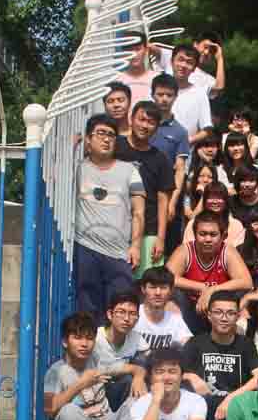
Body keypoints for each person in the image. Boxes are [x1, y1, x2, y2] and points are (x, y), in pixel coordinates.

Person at [73, 114, 145, 319]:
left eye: (111, 135)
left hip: (119, 252)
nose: (106, 139)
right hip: (85, 247)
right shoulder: (77, 169)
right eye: (101, 133)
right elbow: (52, 175)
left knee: (121, 309)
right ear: (88, 139)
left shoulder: (129, 170)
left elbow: (139, 211)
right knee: (87, 310)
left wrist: (136, 246)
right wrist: (71, 146)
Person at [182, 289, 258, 420]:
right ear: (209, 315)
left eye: (230, 313)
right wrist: (192, 377)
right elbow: (176, 373)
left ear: (237, 316)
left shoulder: (245, 344)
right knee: (189, 399)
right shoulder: (196, 343)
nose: (224, 318)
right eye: (218, 312)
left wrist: (231, 398)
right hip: (204, 406)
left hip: (235, 406)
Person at [167, 210, 253, 333]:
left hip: (220, 309)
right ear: (195, 234)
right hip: (190, 308)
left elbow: (246, 282)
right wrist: (202, 287)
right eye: (202, 234)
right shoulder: (185, 250)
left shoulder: (227, 251)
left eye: (213, 234)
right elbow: (166, 278)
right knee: (171, 296)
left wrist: (212, 290)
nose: (207, 239)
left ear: (223, 236)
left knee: (242, 302)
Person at [116, 101, 174, 278]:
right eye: (141, 119)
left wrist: (161, 238)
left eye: (151, 122)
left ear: (156, 128)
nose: (145, 125)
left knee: (146, 283)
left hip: (148, 230)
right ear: (131, 119)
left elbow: (163, 201)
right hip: (115, 226)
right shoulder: (115, 146)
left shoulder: (161, 159)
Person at [150, 73, 190, 252]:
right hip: (141, 191)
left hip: (167, 193)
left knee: (167, 245)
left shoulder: (180, 132)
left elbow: (180, 169)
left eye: (169, 95)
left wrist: (173, 202)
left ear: (175, 97)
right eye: (160, 94)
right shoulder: (142, 124)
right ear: (152, 95)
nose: (164, 99)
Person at [93, 290, 148, 412]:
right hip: (96, 392)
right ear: (110, 314)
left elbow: (149, 362)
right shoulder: (95, 338)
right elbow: (99, 370)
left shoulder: (136, 338)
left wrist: (140, 376)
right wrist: (135, 370)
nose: (127, 319)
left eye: (132, 314)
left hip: (121, 391)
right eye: (121, 312)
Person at [134, 266, 193, 353]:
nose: (158, 293)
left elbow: (187, 345)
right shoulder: (133, 314)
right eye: (152, 287)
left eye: (163, 288)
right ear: (143, 289)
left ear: (171, 291)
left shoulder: (175, 319)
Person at [157, 34, 226, 100]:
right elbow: (152, 49)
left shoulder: (208, 79)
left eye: (211, 51)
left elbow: (218, 88)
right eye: (205, 47)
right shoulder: (175, 55)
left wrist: (220, 58)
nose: (207, 52)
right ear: (196, 44)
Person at [168, 45, 212, 142]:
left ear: (194, 68)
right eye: (180, 60)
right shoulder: (158, 88)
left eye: (189, 62)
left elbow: (206, 129)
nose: (183, 65)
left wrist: (187, 142)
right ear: (171, 61)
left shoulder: (199, 93)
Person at [184, 181, 245, 248]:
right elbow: (187, 249)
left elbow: (238, 251)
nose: (215, 201)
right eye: (211, 198)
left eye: (219, 198)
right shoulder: (193, 223)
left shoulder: (236, 225)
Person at [115, 33, 158, 104]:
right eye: (130, 50)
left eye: (138, 49)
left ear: (146, 50)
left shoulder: (157, 79)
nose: (134, 54)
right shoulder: (118, 81)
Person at [228, 165, 258, 229]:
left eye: (251, 181)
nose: (247, 184)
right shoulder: (231, 201)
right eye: (243, 181)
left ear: (257, 183)